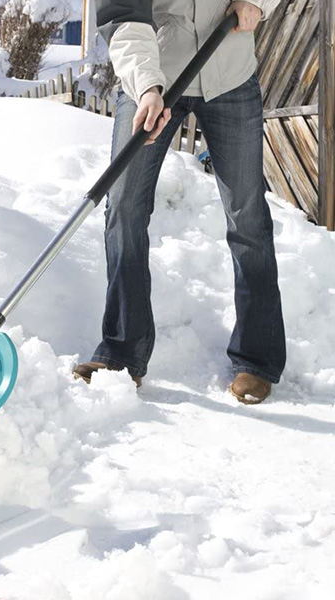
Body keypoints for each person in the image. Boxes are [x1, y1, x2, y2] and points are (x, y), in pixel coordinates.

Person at [73, 0, 286, 404]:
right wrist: (147, 87)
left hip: (231, 74)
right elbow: (123, 16)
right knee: (124, 206)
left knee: (248, 214)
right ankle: (121, 353)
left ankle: (256, 359)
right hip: (156, 74)